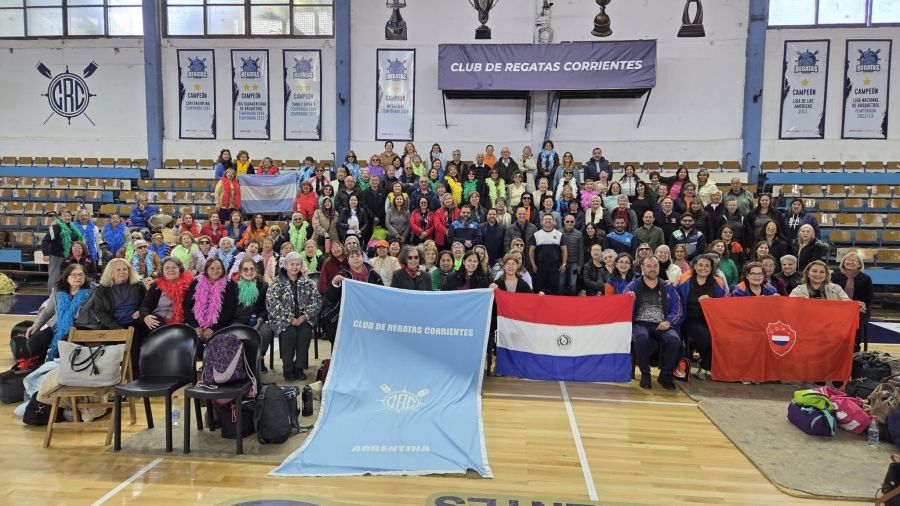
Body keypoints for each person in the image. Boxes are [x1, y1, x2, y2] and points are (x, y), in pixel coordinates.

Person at [627, 256, 684, 390]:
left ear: (659, 268)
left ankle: (665, 375)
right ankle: (645, 374)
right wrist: (631, 300)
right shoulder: (633, 285)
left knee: (674, 340)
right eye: (649, 266)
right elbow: (623, 308)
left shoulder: (667, 286)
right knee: (641, 337)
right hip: (640, 323)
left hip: (662, 324)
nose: (652, 269)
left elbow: (678, 308)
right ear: (642, 267)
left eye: (655, 266)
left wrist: (669, 322)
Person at [267, 252, 321, 381]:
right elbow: (272, 304)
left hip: (304, 318)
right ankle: (288, 369)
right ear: (286, 266)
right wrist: (290, 318)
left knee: (305, 333)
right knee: (290, 334)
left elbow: (317, 301)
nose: (295, 267)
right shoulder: (277, 282)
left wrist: (304, 316)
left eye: (298, 264)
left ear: (301, 266)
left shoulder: (308, 282)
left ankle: (299, 368)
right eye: (292, 264)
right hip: (282, 319)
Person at [24, 264, 93, 363]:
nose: (78, 277)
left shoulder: (93, 291)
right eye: (73, 275)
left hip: (81, 325)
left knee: (63, 344)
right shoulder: (58, 290)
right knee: (34, 343)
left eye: (81, 275)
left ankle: (56, 365)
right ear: (66, 277)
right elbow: (48, 311)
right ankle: (44, 365)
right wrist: (36, 325)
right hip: (57, 325)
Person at [676, 254, 727, 380]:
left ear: (711, 268)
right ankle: (704, 366)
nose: (703, 268)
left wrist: (711, 300)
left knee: (722, 337)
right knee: (706, 337)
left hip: (711, 319)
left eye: (707, 266)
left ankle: (706, 365)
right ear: (694, 266)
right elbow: (676, 300)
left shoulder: (718, 283)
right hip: (688, 318)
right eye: (700, 265)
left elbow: (724, 303)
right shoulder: (684, 280)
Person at [229, 257, 274, 371]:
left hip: (256, 320)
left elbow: (266, 308)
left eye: (252, 269)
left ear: (256, 270)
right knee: (237, 332)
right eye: (245, 269)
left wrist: (260, 319)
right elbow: (229, 308)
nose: (249, 272)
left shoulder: (263, 286)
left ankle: (259, 358)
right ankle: (241, 361)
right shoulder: (233, 286)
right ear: (240, 272)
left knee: (266, 330)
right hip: (237, 321)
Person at [184, 257, 235, 346]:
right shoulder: (196, 282)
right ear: (206, 270)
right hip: (195, 323)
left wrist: (212, 328)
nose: (215, 271)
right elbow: (187, 305)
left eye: (218, 268)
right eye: (212, 268)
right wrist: (195, 326)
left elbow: (229, 309)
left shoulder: (229, 284)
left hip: (219, 325)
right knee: (190, 342)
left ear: (222, 269)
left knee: (216, 344)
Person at [139, 257, 194, 333]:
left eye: (174, 267)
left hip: (183, 322)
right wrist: (146, 316)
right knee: (156, 325)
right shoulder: (156, 286)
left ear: (179, 269)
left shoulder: (189, 285)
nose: (171, 270)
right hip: (158, 320)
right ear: (163, 271)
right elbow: (145, 305)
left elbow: (191, 307)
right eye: (167, 268)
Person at [831, 252, 872, 352]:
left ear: (859, 265)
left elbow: (868, 299)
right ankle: (834, 347)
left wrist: (857, 307)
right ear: (843, 262)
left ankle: (855, 348)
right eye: (848, 260)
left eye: (854, 260)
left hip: (858, 309)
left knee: (856, 320)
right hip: (837, 308)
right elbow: (830, 293)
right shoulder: (834, 275)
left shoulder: (866, 278)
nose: (851, 262)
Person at [45, 209, 84, 290]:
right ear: (60, 217)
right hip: (57, 256)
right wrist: (45, 253)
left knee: (69, 276)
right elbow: (45, 241)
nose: (67, 217)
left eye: (69, 216)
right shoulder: (55, 227)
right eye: (65, 216)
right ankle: (53, 295)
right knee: (55, 277)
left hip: (71, 256)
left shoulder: (73, 227)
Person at [529, 214, 566, 295]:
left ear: (553, 221)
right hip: (540, 266)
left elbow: (564, 250)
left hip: (555, 266)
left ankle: (553, 303)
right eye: (546, 219)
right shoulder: (536, 235)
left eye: (550, 219)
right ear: (542, 222)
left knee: (554, 288)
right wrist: (533, 264)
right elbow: (531, 251)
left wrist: (564, 264)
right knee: (538, 287)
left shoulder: (559, 234)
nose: (548, 221)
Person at [560, 214, 583, 296]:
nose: (569, 223)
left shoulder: (579, 234)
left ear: (574, 223)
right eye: (567, 221)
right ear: (564, 222)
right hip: (562, 263)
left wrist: (580, 265)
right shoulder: (558, 232)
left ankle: (572, 301)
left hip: (574, 263)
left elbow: (581, 250)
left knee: (573, 284)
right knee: (561, 283)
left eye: (572, 221)